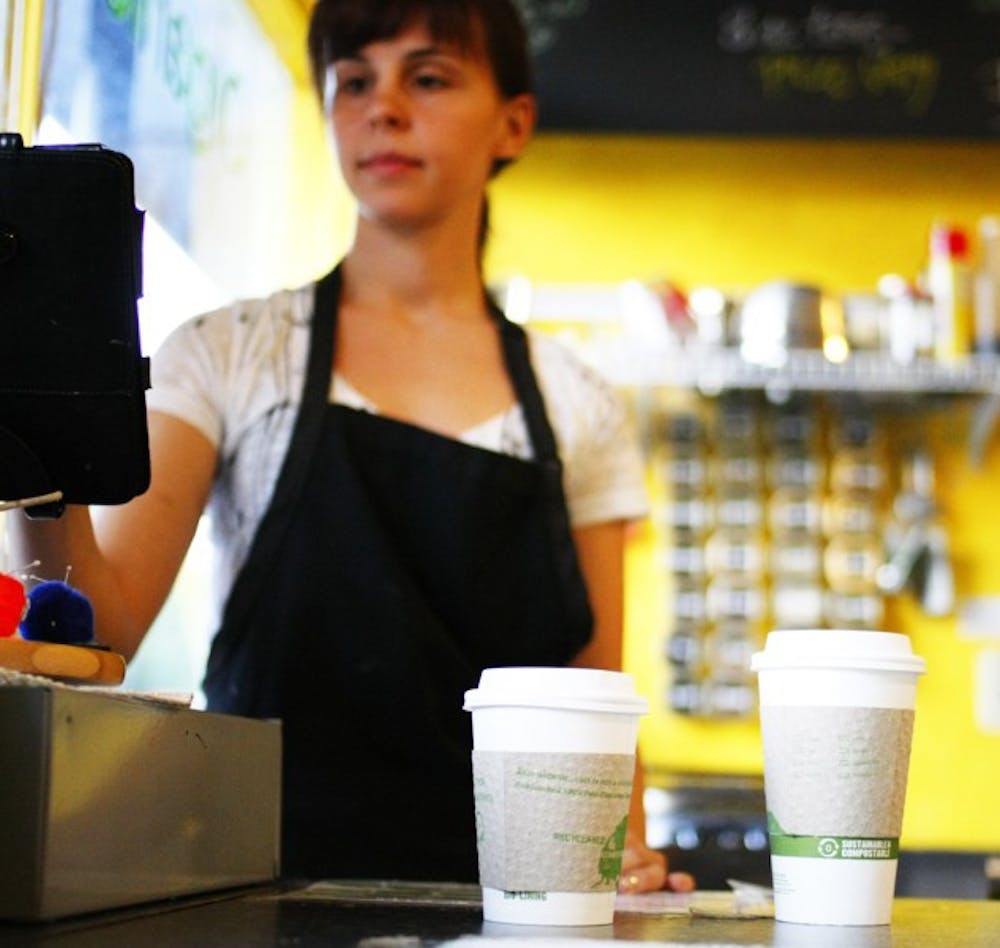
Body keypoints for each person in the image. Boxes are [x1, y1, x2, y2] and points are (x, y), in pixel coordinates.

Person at [10, 0, 693, 892]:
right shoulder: (230, 353)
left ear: (513, 122)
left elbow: (595, 702)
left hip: (514, 908)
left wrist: (626, 864)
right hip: (252, 896)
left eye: (429, 77)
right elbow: (102, 632)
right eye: (354, 81)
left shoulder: (580, 405)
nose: (384, 109)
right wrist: (33, 448)